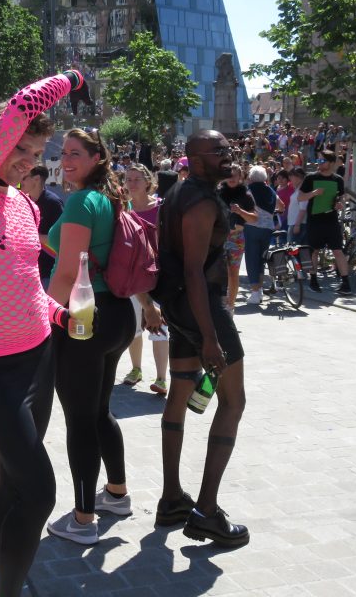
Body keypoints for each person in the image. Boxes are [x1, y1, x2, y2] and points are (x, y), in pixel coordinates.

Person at [0, 72, 84, 597]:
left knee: (12, 476)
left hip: (39, 357)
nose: (28, 159)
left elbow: (25, 284)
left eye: (37, 152)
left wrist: (59, 314)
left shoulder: (24, 205)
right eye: (21, 147)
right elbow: (25, 103)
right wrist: (72, 78)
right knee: (41, 490)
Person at [152, 130, 248, 546]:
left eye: (227, 149)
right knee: (233, 400)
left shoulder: (178, 192)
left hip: (180, 307)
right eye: (218, 150)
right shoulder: (201, 201)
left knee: (180, 394)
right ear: (193, 156)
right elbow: (193, 270)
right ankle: (206, 511)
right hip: (202, 309)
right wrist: (210, 337)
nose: (228, 155)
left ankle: (172, 498)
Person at [45, 129, 138, 546]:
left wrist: (43, 319)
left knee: (80, 419)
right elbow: (80, 254)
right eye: (63, 152)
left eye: (76, 153)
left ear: (98, 157)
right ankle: (115, 494)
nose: (66, 159)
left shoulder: (82, 200)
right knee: (99, 411)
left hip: (85, 315)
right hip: (118, 315)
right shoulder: (108, 197)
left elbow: (68, 273)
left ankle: (83, 520)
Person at [121, 163, 168, 394]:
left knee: (159, 326)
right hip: (131, 276)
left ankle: (161, 378)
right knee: (133, 326)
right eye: (128, 179)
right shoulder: (123, 208)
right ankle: (136, 368)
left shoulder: (160, 207)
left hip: (157, 274)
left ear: (148, 182)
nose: (132, 183)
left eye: (137, 179)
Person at [301, 150, 353, 295]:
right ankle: (313, 280)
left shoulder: (337, 179)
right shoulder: (311, 178)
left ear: (331, 163)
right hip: (315, 220)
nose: (319, 163)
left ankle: (346, 283)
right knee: (314, 250)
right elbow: (300, 197)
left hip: (331, 220)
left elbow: (342, 197)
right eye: (318, 161)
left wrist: (340, 204)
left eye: (322, 161)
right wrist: (314, 193)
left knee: (338, 250)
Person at [217, 166, 255, 314]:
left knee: (233, 273)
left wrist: (240, 211)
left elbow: (254, 218)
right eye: (229, 174)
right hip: (218, 237)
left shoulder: (245, 195)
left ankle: (230, 308)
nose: (232, 177)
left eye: (235, 175)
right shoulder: (218, 192)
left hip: (236, 238)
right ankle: (217, 305)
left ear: (241, 177)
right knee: (216, 272)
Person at [242, 165, 282, 307]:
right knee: (261, 259)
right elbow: (282, 206)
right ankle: (258, 290)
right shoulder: (270, 190)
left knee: (251, 258)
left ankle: (255, 292)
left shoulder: (249, 191)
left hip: (252, 227)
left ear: (251, 178)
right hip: (268, 228)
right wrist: (271, 212)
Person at [20, 165, 63, 290]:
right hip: (29, 271)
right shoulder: (24, 202)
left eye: (24, 178)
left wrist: (32, 237)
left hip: (49, 272)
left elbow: (62, 238)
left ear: (37, 179)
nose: (20, 182)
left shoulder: (53, 203)